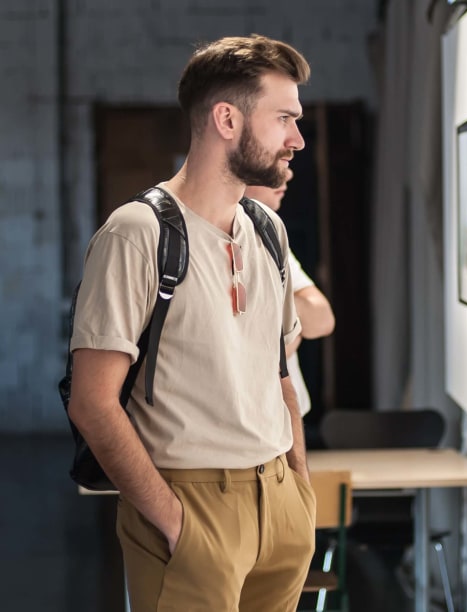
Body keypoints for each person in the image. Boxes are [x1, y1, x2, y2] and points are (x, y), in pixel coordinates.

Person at [67, 35, 316, 612]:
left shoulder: (268, 231)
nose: (297, 139)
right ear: (227, 119)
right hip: (188, 504)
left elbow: (278, 371)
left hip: (279, 502)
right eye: (284, 118)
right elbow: (93, 403)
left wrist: (298, 492)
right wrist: (175, 522)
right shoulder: (136, 233)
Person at [246, 168, 335, 417]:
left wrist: (277, 311)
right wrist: (292, 332)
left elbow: (322, 319)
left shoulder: (268, 235)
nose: (288, 175)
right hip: (250, 420)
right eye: (276, 162)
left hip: (287, 414)